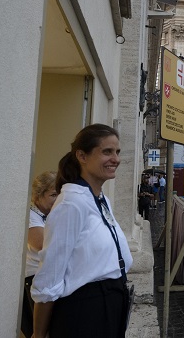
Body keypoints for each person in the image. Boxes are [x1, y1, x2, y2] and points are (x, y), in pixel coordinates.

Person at [31, 124, 133, 338]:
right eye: (107, 151)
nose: (115, 159)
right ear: (82, 156)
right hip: (86, 313)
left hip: (110, 305)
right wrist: (38, 334)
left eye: (117, 152)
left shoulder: (100, 199)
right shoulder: (71, 204)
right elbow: (50, 273)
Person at [20, 171, 57, 338]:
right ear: (38, 195)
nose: (58, 199)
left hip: (48, 280)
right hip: (34, 281)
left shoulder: (49, 215)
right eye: (53, 195)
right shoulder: (31, 216)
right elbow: (43, 245)